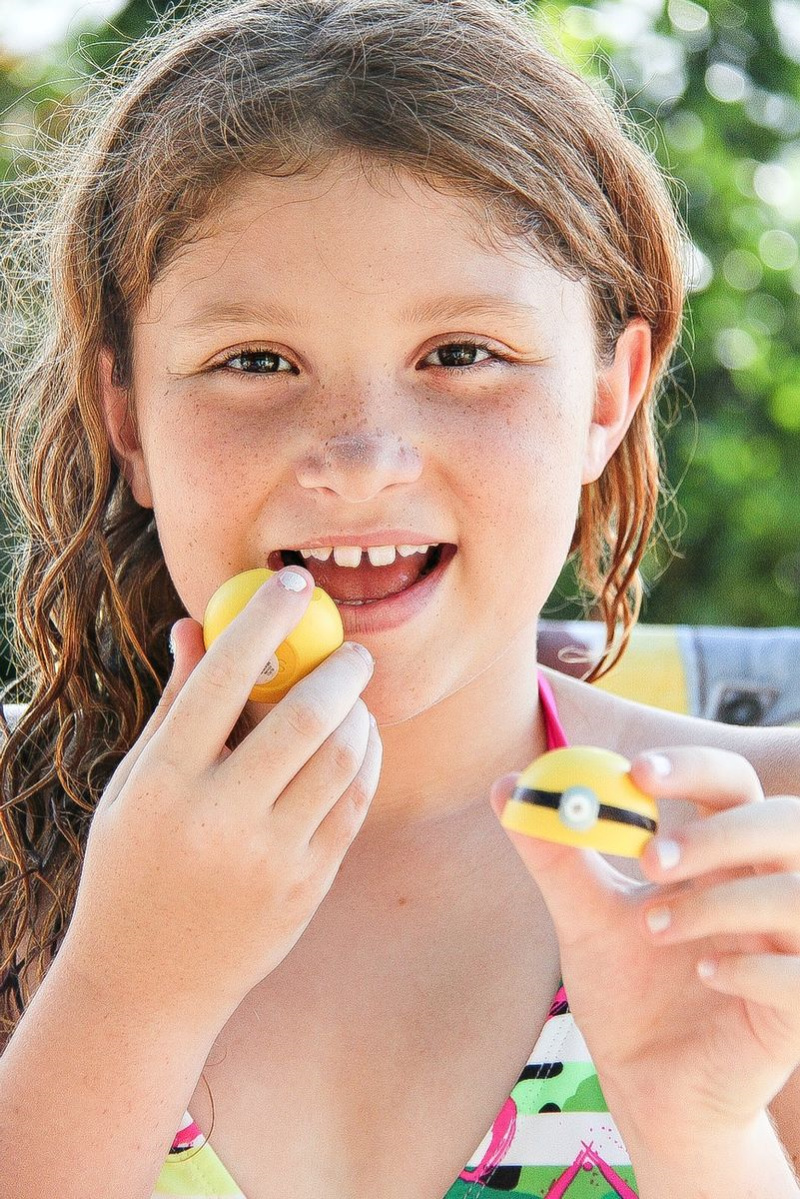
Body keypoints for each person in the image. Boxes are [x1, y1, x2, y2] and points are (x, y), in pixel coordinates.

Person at [0, 0, 797, 1195]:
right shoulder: (21, 845)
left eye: (461, 353)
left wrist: (697, 1132)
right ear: (129, 418)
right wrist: (125, 993)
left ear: (606, 394)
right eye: (255, 362)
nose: (360, 456)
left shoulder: (752, 858)